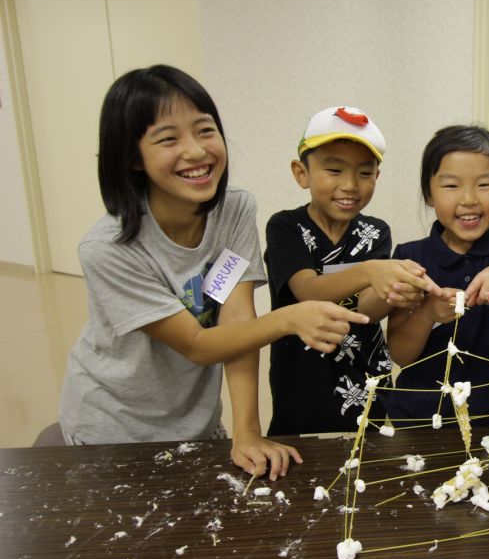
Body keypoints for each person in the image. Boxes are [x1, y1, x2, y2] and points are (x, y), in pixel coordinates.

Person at [59, 65, 369, 480]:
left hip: (198, 422)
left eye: (205, 130)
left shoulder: (234, 208)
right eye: (168, 139)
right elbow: (198, 345)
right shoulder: (109, 249)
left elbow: (237, 319)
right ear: (133, 157)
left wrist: (247, 432)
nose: (196, 151)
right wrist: (289, 318)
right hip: (115, 428)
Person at [264, 106, 439, 434]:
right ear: (301, 173)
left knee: (364, 463)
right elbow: (307, 290)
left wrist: (398, 289)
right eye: (334, 170)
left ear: (377, 176)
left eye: (364, 173)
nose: (350, 185)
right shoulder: (285, 227)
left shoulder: (375, 231)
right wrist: (371, 271)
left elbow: (367, 310)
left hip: (366, 376)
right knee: (302, 466)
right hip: (302, 378)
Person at [385, 125, 489, 425]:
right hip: (418, 419)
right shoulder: (409, 257)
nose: (468, 199)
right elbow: (401, 354)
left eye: (484, 185)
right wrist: (427, 313)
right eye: (452, 186)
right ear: (429, 194)